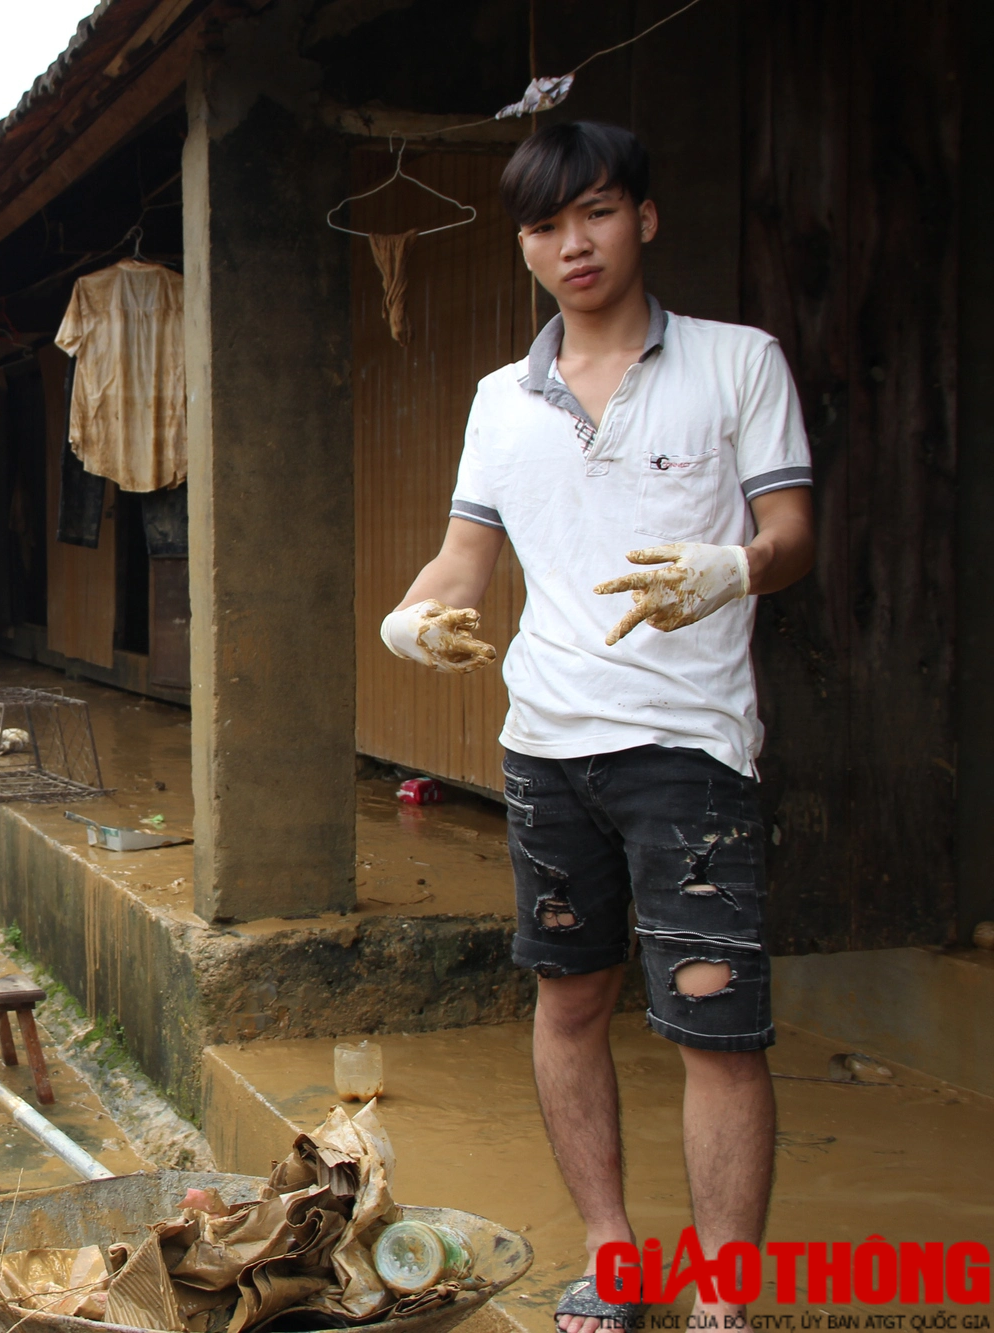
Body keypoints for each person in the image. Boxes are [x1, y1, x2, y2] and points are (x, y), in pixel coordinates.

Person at [380, 123, 813, 1333]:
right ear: (522, 245)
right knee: (567, 1003)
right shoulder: (495, 403)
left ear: (645, 219)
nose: (571, 243)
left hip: (688, 750)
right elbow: (462, 562)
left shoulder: (736, 363)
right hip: (544, 752)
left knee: (713, 1026)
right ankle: (612, 1258)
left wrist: (729, 568)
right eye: (543, 225)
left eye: (598, 212)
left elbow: (790, 537)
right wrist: (414, 622)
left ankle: (721, 1294)